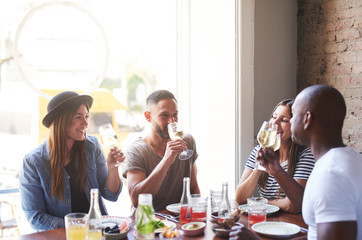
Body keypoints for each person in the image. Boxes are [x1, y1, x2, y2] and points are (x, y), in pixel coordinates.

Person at [230, 85, 362, 240]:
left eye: (292, 116)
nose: (289, 121)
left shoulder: (331, 175)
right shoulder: (347, 159)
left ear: (306, 119)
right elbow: (316, 235)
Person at [19, 91, 124, 231]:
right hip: (61, 236)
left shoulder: (91, 147)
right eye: (78, 117)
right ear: (62, 121)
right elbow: (35, 216)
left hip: (97, 233)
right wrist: (78, 226)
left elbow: (111, 195)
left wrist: (113, 167)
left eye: (86, 116)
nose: (86, 123)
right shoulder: (33, 162)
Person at [123, 90, 200, 211]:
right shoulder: (135, 150)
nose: (172, 121)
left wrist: (196, 217)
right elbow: (136, 199)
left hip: (180, 221)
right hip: (149, 223)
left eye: (175, 115)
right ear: (148, 117)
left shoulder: (187, 142)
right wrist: (166, 161)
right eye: (164, 115)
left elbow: (194, 187)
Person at [235, 99, 315, 213]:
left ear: (296, 125)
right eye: (274, 117)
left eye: (284, 120)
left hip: (294, 223)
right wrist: (259, 168)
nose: (275, 123)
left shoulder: (306, 155)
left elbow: (293, 205)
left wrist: (259, 203)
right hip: (266, 219)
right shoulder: (259, 150)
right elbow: (240, 198)